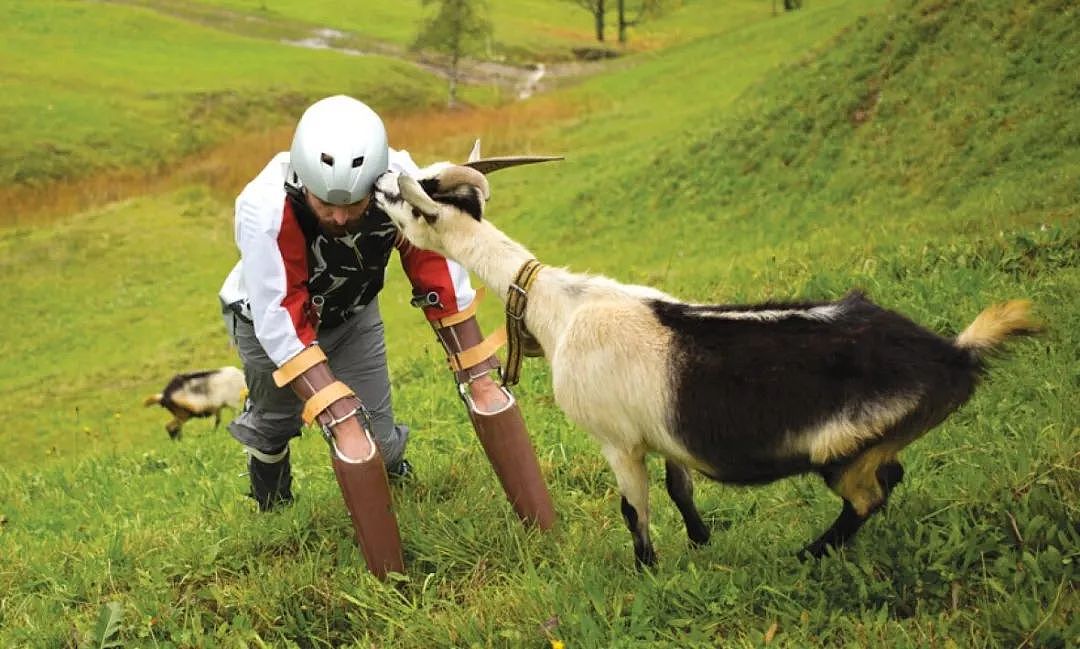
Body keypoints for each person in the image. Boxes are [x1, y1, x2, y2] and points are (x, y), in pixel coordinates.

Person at [218, 95, 553, 578]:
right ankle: (273, 503)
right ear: (303, 182)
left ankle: (399, 491)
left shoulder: (399, 184)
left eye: (351, 205)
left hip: (352, 314)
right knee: (276, 425)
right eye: (326, 204)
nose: (338, 217)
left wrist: (476, 367)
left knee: (376, 438)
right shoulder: (263, 207)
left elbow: (433, 262)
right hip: (266, 325)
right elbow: (280, 313)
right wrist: (333, 409)